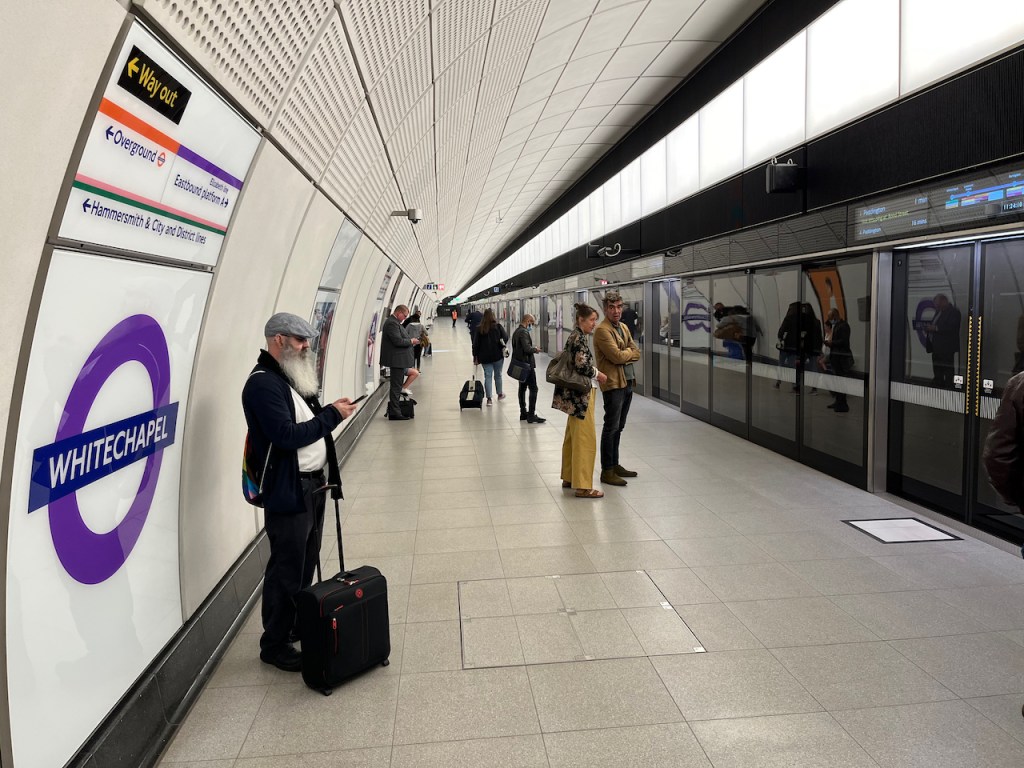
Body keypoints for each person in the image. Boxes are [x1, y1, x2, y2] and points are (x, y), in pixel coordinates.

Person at [241, 312, 358, 671]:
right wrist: (332, 417)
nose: (306, 346)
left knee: (306, 562)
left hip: (312, 486)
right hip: (288, 491)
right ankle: (273, 644)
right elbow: (286, 435)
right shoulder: (262, 384)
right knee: (286, 568)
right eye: (299, 340)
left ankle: (292, 626)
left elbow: (306, 422)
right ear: (278, 340)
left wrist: (328, 410)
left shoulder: (288, 379)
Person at [553, 302, 608, 498]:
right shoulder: (579, 338)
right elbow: (582, 366)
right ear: (581, 320)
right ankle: (583, 486)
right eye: (592, 320)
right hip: (580, 396)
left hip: (573, 396)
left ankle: (569, 476)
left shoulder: (576, 336)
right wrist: (598, 374)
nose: (594, 323)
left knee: (572, 436)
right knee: (585, 439)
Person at [594, 291, 641, 487]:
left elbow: (636, 352)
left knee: (619, 427)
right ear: (605, 309)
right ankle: (607, 470)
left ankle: (615, 464)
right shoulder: (602, 330)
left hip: (627, 382)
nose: (616, 311)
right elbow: (616, 357)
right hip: (613, 384)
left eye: (619, 307)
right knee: (611, 427)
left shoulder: (622, 327)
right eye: (612, 307)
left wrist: (627, 353)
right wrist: (627, 353)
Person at [380, 304, 420, 419]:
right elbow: (397, 341)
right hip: (397, 361)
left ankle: (395, 410)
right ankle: (395, 413)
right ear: (399, 313)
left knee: (397, 386)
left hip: (398, 360)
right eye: (405, 316)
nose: (405, 318)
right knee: (396, 387)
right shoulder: (392, 323)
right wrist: (411, 341)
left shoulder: (395, 322)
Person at [511, 314, 545, 423]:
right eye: (532, 323)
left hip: (520, 364)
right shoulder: (524, 332)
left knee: (522, 388)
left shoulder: (517, 331)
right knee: (534, 389)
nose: (532, 326)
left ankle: (523, 412)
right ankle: (531, 415)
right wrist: (535, 349)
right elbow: (527, 349)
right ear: (528, 321)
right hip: (527, 365)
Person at [472, 308, 508, 405]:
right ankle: (500, 394)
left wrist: (475, 356)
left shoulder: (480, 328)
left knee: (488, 376)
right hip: (498, 356)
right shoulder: (498, 327)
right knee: (498, 375)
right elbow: (505, 338)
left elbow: (475, 344)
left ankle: (489, 399)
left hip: (484, 357)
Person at [926, 293, 961, 388]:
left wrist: (936, 328)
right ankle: (938, 384)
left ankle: (949, 387)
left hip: (946, 347)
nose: (936, 306)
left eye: (938, 303)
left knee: (948, 369)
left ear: (944, 301)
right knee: (937, 368)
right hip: (936, 347)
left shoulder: (954, 312)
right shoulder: (939, 312)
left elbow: (952, 327)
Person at [823, 307, 853, 413]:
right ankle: (838, 401)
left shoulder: (844, 326)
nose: (830, 320)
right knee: (838, 381)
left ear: (835, 316)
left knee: (841, 381)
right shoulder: (838, 326)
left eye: (831, 318)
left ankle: (842, 404)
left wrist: (832, 343)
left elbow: (843, 341)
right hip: (837, 357)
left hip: (841, 358)